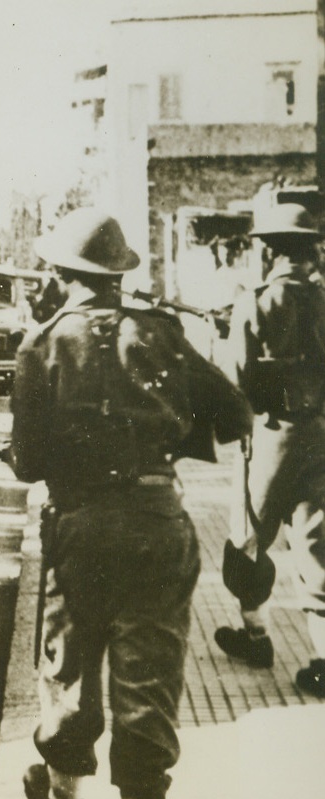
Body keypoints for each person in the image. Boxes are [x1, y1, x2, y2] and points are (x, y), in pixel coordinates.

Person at [11, 208, 250, 799]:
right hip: (158, 524)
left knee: (69, 665)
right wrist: (165, 434)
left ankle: (65, 795)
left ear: (62, 278)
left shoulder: (43, 346)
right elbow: (235, 415)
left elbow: (27, 462)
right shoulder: (164, 335)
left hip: (83, 528)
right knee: (150, 683)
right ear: (119, 279)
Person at [213, 202, 325, 698]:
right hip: (322, 432)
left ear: (270, 248)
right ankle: (322, 660)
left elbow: (237, 380)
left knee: (249, 536)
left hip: (273, 433)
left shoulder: (256, 300)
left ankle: (256, 637)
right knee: (318, 541)